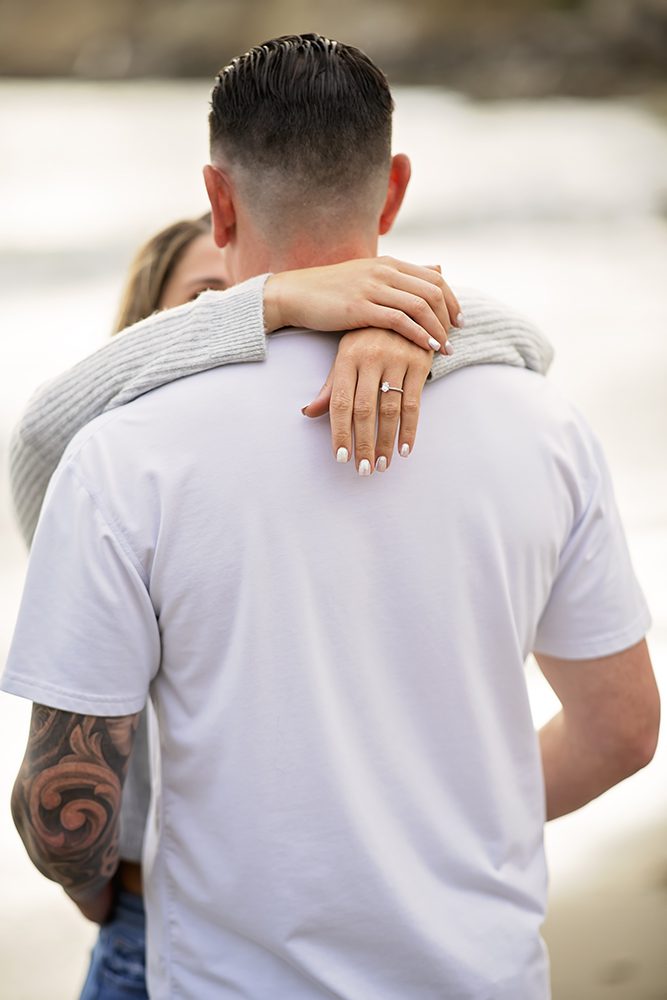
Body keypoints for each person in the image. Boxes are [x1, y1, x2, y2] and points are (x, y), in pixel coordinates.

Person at [4, 34, 658, 999]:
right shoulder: (542, 423)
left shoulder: (123, 453)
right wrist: (458, 824)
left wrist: (111, 894)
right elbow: (621, 730)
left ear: (218, 200)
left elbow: (64, 799)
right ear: (391, 191)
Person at [10, 213, 552, 999]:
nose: (282, 319)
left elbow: (529, 342)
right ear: (147, 336)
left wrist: (402, 330)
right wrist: (271, 299)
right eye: (208, 302)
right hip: (154, 917)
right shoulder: (108, 475)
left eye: (303, 303)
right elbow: (39, 435)